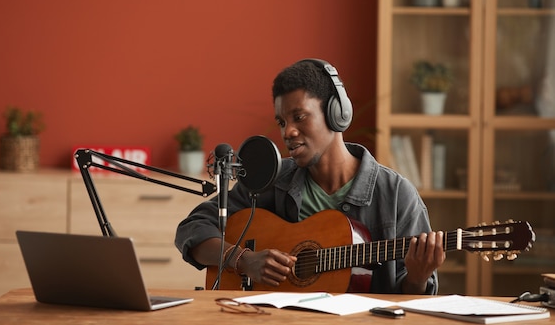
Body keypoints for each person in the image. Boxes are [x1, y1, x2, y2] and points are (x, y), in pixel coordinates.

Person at [175, 58, 445, 294]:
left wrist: (418, 278)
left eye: (299, 117)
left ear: (335, 114)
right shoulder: (273, 179)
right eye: (282, 122)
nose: (287, 132)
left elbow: (411, 304)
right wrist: (244, 260)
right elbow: (193, 228)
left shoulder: (396, 194)